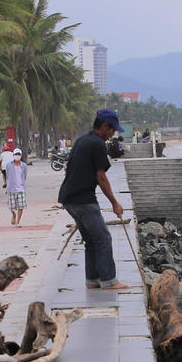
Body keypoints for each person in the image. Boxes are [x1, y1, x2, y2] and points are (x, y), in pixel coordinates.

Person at [57, 108, 130, 290]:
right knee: (103, 238)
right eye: (112, 130)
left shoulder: (83, 140)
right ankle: (109, 280)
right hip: (83, 199)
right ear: (105, 127)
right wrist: (115, 203)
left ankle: (92, 280)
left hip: (68, 198)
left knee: (91, 240)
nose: (113, 134)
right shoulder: (96, 144)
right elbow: (101, 177)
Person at [6, 148, 28, 226]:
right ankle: (14, 215)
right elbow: (7, 176)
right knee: (12, 206)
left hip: (21, 188)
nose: (17, 156)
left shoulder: (24, 165)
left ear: (21, 155)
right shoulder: (9, 165)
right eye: (16, 154)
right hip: (11, 188)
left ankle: (17, 222)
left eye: (19, 154)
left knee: (21, 206)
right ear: (13, 155)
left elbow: (24, 176)